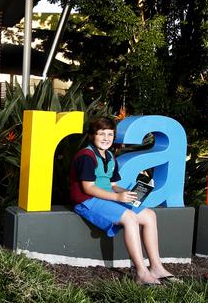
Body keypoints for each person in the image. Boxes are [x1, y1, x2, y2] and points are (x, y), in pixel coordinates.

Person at [69, 117, 176, 285]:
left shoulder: (109, 156)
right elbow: (88, 188)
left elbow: (112, 185)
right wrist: (117, 197)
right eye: (101, 134)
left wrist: (127, 192)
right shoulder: (86, 156)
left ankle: (156, 267)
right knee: (129, 218)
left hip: (105, 196)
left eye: (110, 134)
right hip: (87, 201)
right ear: (92, 136)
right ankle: (141, 272)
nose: (106, 138)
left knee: (149, 215)